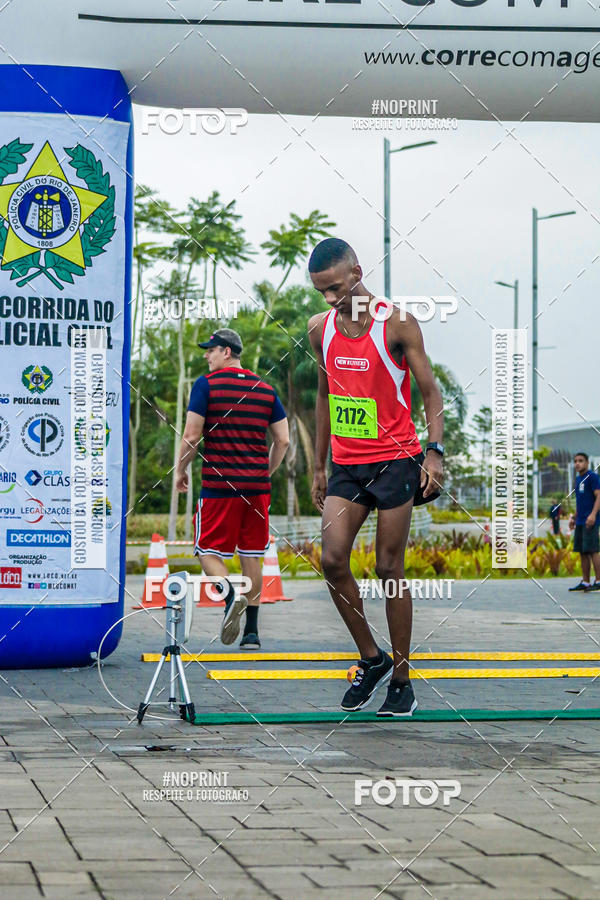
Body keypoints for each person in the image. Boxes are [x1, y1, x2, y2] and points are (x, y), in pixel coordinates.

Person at [307, 238, 444, 717]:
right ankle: (372, 657)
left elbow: (430, 392)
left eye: (336, 288)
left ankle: (402, 680)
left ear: (358, 272)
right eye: (321, 292)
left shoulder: (398, 323)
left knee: (389, 570)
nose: (330, 299)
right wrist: (319, 464)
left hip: (395, 461)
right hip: (346, 463)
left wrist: (435, 452)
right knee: (331, 558)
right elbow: (323, 396)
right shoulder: (318, 329)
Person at [175, 328, 290, 647]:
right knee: (252, 555)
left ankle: (228, 597)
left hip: (219, 486)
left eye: (210, 350)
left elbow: (192, 436)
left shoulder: (206, 385)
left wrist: (180, 470)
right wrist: (266, 471)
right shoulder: (265, 389)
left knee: (207, 550)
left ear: (227, 352)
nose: (205, 355)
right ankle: (251, 632)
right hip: (257, 488)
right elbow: (283, 440)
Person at [568, 452, 600, 592]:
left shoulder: (592, 477)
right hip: (580, 521)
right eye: (575, 461)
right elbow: (580, 501)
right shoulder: (578, 479)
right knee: (582, 551)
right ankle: (586, 582)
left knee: (593, 550)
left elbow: (599, 496)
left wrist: (593, 515)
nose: (577, 463)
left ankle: (598, 581)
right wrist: (574, 518)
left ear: (587, 463)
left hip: (590, 520)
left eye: (580, 461)